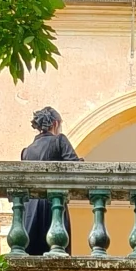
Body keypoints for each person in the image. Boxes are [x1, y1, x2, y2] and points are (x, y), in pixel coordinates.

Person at [20, 107, 80, 255]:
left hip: (30, 208)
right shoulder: (59, 140)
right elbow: (76, 167)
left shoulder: (26, 151)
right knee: (56, 250)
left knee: (31, 254)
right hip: (52, 205)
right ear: (55, 124)